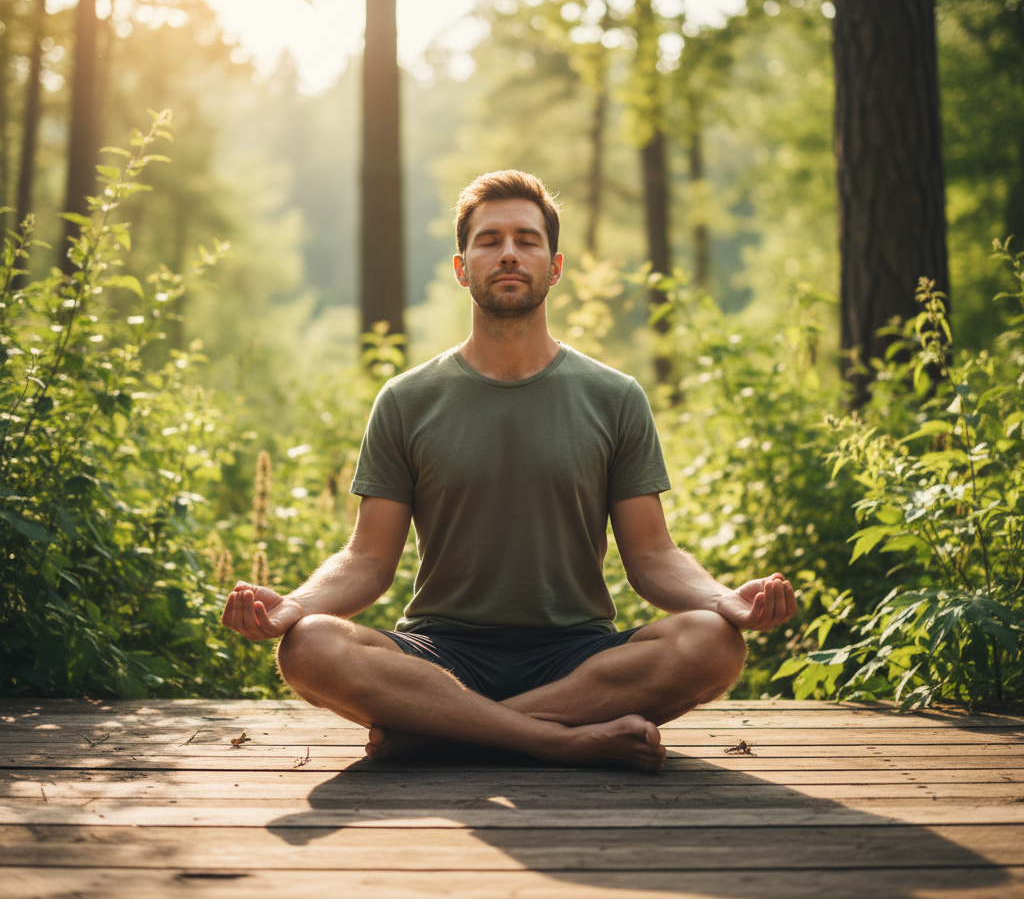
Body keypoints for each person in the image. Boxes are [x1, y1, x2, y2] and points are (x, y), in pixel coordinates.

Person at [222, 169, 797, 772]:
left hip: (578, 656)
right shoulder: (406, 399)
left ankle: (446, 731)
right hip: (437, 653)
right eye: (489, 240)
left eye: (527, 239)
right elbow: (368, 559)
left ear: (554, 266)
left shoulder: (615, 397)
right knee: (310, 645)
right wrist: (294, 604)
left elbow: (653, 558)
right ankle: (560, 739)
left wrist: (724, 599)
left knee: (712, 642)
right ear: (461, 266)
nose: (508, 254)